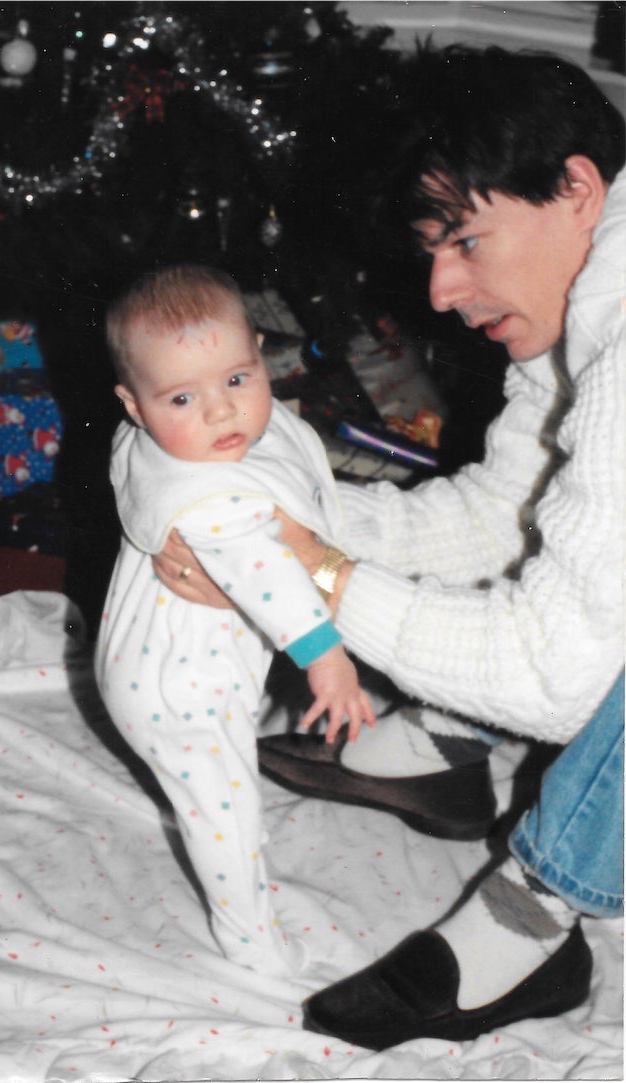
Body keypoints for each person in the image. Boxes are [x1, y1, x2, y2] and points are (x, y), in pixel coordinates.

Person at [153, 45, 625, 1048]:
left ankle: (538, 918)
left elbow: (562, 679)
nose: (444, 290)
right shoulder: (587, 297)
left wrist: (308, 570)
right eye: (433, 252)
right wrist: (290, 511)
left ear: (576, 188)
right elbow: (503, 516)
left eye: (465, 240)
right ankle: (458, 748)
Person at [94, 264, 375, 978]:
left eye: (236, 379)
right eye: (183, 397)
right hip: (175, 690)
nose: (220, 412)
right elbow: (268, 573)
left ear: (259, 352)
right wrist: (327, 657)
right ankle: (250, 940)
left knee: (226, 770)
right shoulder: (213, 496)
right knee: (224, 810)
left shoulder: (160, 440)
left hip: (159, 654)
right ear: (133, 404)